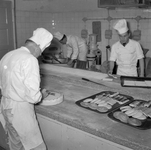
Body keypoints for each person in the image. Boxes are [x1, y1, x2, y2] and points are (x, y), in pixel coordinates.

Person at [0, 28, 53, 150]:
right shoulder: (30, 59)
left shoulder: (8, 54)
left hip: (6, 105)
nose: (40, 54)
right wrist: (42, 95)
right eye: (41, 51)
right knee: (35, 146)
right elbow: (33, 97)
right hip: (20, 111)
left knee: (16, 144)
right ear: (37, 46)